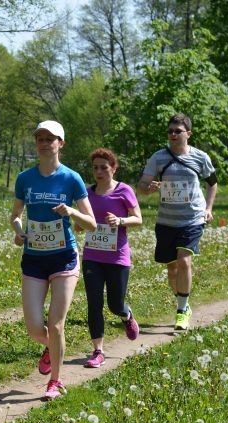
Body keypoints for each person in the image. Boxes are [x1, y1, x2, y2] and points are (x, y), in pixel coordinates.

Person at [10, 120, 96, 400]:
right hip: (34, 258)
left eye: (50, 139)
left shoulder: (72, 178)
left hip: (64, 258)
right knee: (35, 328)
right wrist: (19, 231)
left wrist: (71, 212)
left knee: (56, 324)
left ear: (61, 143)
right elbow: (15, 215)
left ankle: (55, 382)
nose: (45, 143)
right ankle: (52, 346)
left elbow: (92, 223)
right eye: (40, 139)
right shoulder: (25, 178)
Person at [137, 113, 217, 331]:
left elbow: (212, 183)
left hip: (192, 219)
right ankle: (184, 301)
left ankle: (181, 311)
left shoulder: (200, 157)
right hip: (166, 221)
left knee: (184, 261)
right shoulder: (158, 157)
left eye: (177, 131)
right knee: (172, 269)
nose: (173, 134)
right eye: (170, 131)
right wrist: (148, 188)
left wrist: (208, 208)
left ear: (188, 134)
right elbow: (141, 186)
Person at [80, 148, 143, 368]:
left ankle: (127, 316)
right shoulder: (87, 193)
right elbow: (82, 222)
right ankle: (98, 351)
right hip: (92, 256)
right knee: (94, 303)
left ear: (113, 168)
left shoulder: (124, 190)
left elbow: (138, 218)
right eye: (95, 168)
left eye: (104, 168)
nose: (99, 172)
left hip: (117, 257)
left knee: (115, 305)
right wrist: (79, 224)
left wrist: (120, 221)